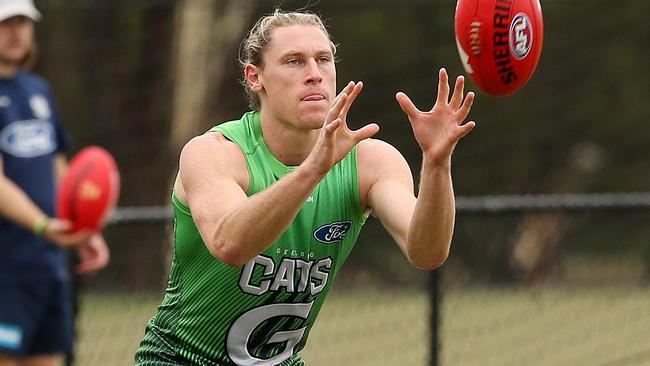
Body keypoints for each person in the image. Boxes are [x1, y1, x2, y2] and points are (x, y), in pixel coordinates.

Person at [136, 8, 475, 366]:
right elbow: (229, 243)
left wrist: (437, 164)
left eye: (323, 60)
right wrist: (314, 170)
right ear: (255, 77)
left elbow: (427, 251)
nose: (314, 74)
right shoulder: (214, 152)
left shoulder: (370, 162)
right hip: (179, 360)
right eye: (294, 62)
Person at [0, 1, 110, 365]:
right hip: (6, 270)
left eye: (23, 22)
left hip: (47, 266)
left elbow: (58, 166)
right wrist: (43, 225)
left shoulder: (38, 90)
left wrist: (83, 230)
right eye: (6, 22)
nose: (16, 31)